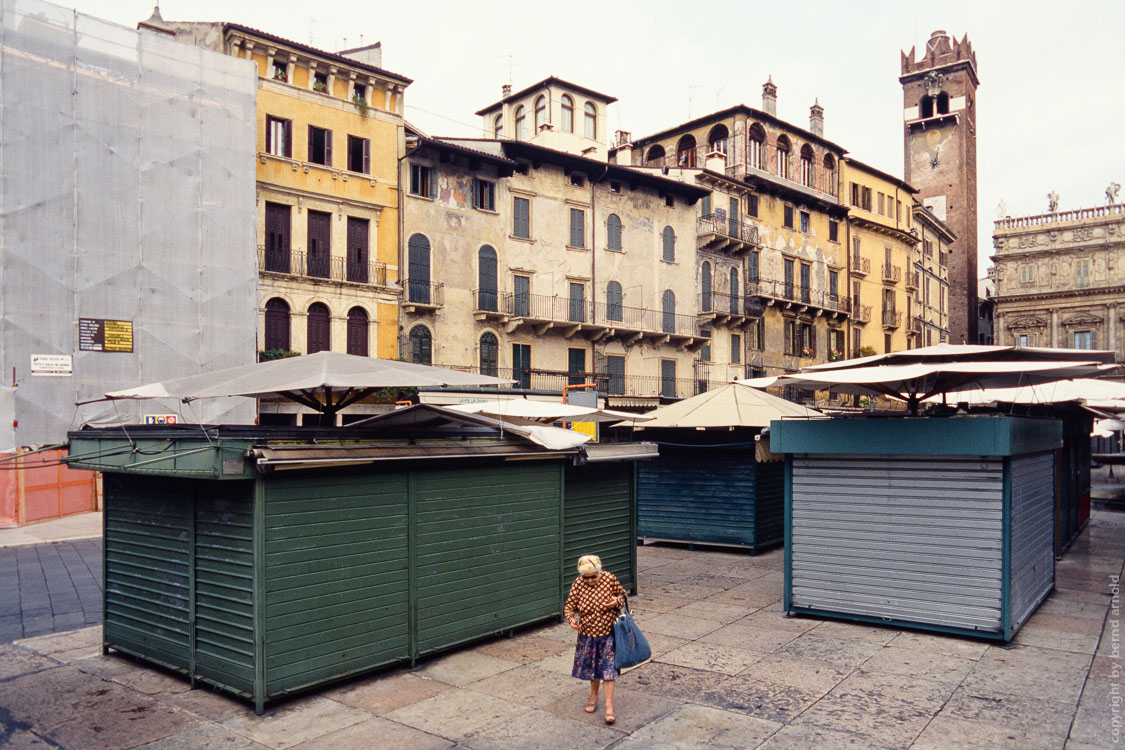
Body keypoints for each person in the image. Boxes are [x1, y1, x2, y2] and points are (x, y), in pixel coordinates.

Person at [563, 554, 627, 725]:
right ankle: (593, 696)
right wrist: (571, 619)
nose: (590, 580)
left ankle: (609, 706)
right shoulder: (578, 583)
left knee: (609, 669)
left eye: (594, 576)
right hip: (588, 634)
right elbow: (569, 606)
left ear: (599, 572)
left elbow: (622, 595)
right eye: (586, 577)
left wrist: (616, 601)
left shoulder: (609, 578)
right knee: (593, 667)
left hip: (608, 633)